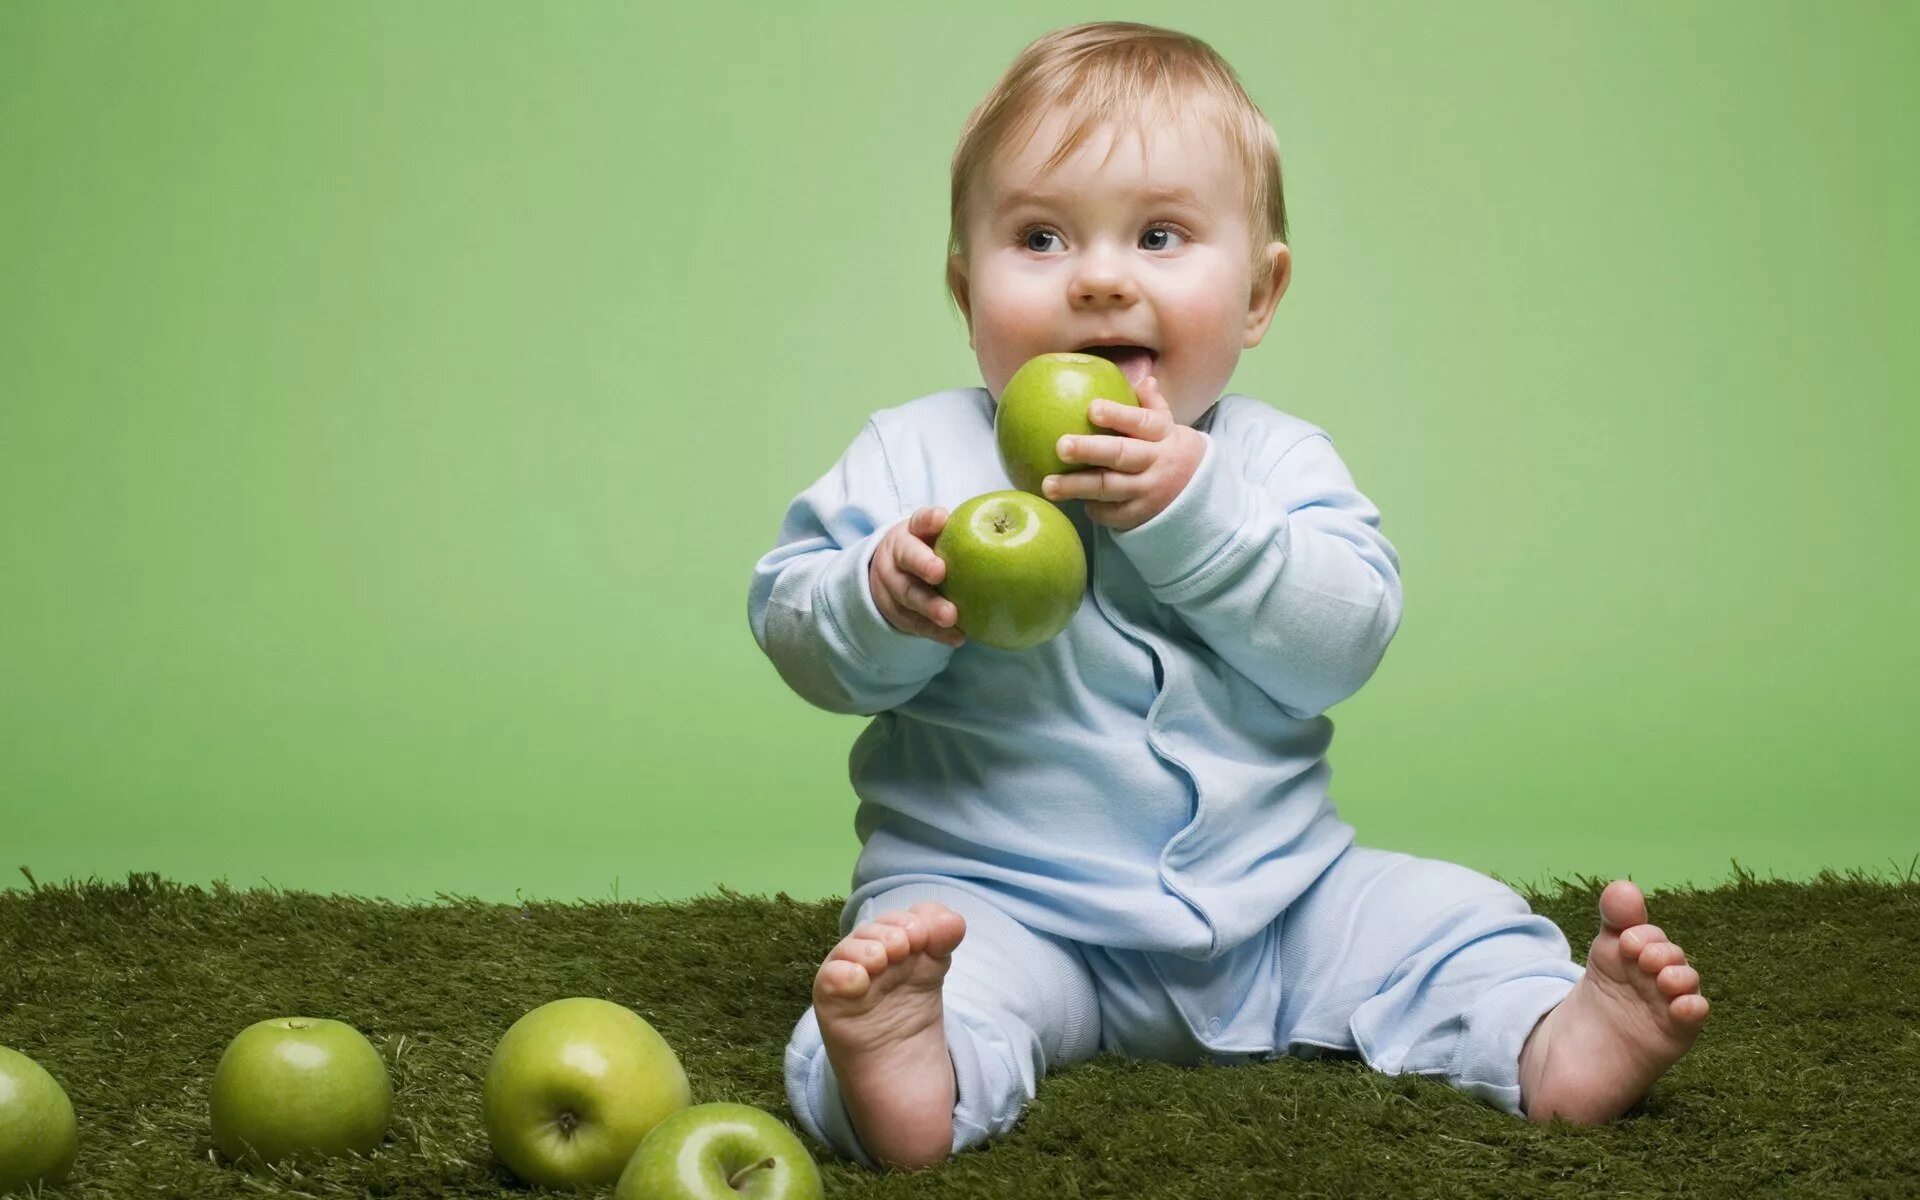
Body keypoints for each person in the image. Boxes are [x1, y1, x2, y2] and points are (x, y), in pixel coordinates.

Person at [746, 20, 1708, 1173]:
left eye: (1160, 235)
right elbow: (794, 626)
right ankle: (908, 1076)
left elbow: (1341, 641)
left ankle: (1551, 1033)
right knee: (930, 982)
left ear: (1260, 293)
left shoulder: (1276, 464)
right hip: (1003, 906)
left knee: (1450, 918)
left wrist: (1191, 509)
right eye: (1039, 238)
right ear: (967, 289)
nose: (1100, 275)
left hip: (1281, 904)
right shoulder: (914, 458)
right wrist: (878, 599)